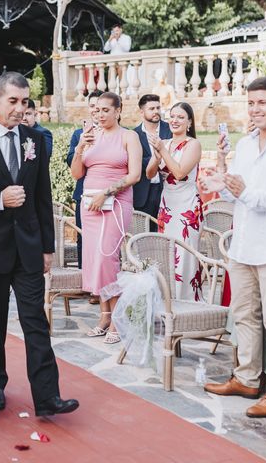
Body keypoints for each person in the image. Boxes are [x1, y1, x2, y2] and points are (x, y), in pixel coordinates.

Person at [0, 71, 79, 416]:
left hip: (28, 247)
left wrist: (48, 247)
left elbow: (42, 195)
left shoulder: (34, 139)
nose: (20, 109)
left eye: (25, 102)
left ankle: (47, 396)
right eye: (13, 102)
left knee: (35, 320)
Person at [202, 76, 266, 419]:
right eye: (251, 103)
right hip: (243, 245)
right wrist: (219, 185)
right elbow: (235, 191)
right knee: (244, 316)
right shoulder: (244, 145)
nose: (255, 109)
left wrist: (245, 193)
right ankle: (246, 377)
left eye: (262, 102)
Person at [70, 92, 142, 344]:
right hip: (90, 204)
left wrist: (107, 192)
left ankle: (118, 320)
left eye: (105, 110)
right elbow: (76, 173)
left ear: (118, 111)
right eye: (96, 110)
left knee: (106, 258)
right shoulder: (89, 136)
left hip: (116, 202)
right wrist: (80, 148)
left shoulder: (129, 136)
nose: (99, 115)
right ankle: (104, 316)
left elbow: (135, 175)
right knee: (93, 260)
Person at [146, 102, 203, 301]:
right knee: (167, 254)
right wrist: (156, 153)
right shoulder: (166, 143)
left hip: (187, 206)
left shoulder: (193, 144)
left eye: (180, 117)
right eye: (172, 116)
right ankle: (168, 302)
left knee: (184, 255)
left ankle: (187, 303)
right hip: (167, 206)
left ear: (189, 122)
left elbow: (179, 173)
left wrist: (163, 150)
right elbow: (149, 173)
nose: (175, 120)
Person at [67, 90, 103, 305]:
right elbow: (70, 160)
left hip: (107, 194)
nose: (96, 112)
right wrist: (83, 145)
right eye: (92, 107)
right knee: (84, 240)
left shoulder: (118, 133)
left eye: (100, 107)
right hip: (84, 191)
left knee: (105, 243)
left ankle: (103, 286)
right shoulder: (78, 134)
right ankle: (87, 284)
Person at [133, 94, 173, 227]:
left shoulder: (171, 129)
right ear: (141, 112)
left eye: (158, 107)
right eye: (151, 108)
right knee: (144, 235)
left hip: (168, 190)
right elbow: (135, 162)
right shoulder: (134, 135)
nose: (156, 111)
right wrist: (157, 160)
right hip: (143, 191)